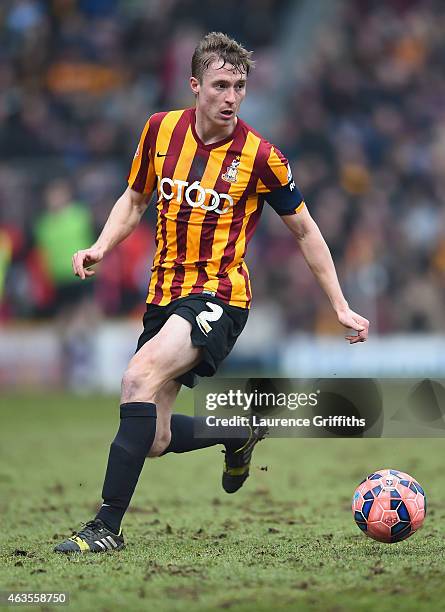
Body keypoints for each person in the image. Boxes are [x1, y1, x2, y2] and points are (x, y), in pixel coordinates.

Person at [55, 32, 369, 553]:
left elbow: (306, 231)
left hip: (219, 297)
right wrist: (101, 246)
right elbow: (134, 200)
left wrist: (340, 305)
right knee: (153, 440)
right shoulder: (160, 131)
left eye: (240, 86)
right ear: (195, 85)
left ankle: (103, 529)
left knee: (136, 376)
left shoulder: (261, 157)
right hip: (164, 295)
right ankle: (235, 431)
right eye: (221, 85)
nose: (231, 97)